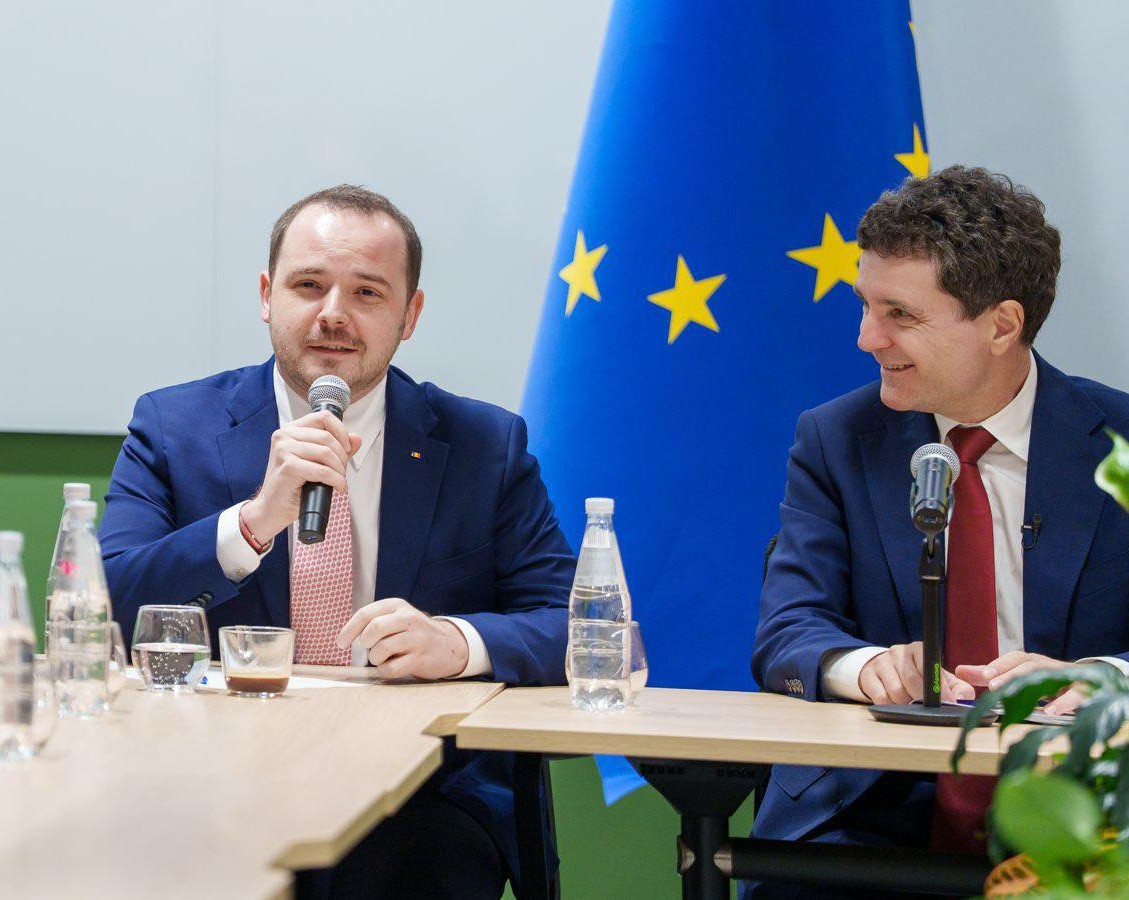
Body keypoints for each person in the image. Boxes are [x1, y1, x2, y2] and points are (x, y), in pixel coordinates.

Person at [99, 185, 575, 898]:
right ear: (267, 296)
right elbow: (106, 605)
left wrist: (457, 643)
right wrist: (251, 523)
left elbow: (579, 627)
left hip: (420, 791)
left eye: (367, 293)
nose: (332, 314)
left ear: (410, 314)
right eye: (308, 285)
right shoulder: (173, 428)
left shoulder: (484, 445)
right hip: (209, 771)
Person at [748, 166, 1129, 896]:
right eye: (865, 306)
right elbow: (788, 629)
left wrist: (1099, 678)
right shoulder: (836, 440)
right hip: (868, 812)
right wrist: (864, 667)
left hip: (1085, 809)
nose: (866, 338)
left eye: (900, 314)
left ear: (1001, 325)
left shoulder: (1119, 443)